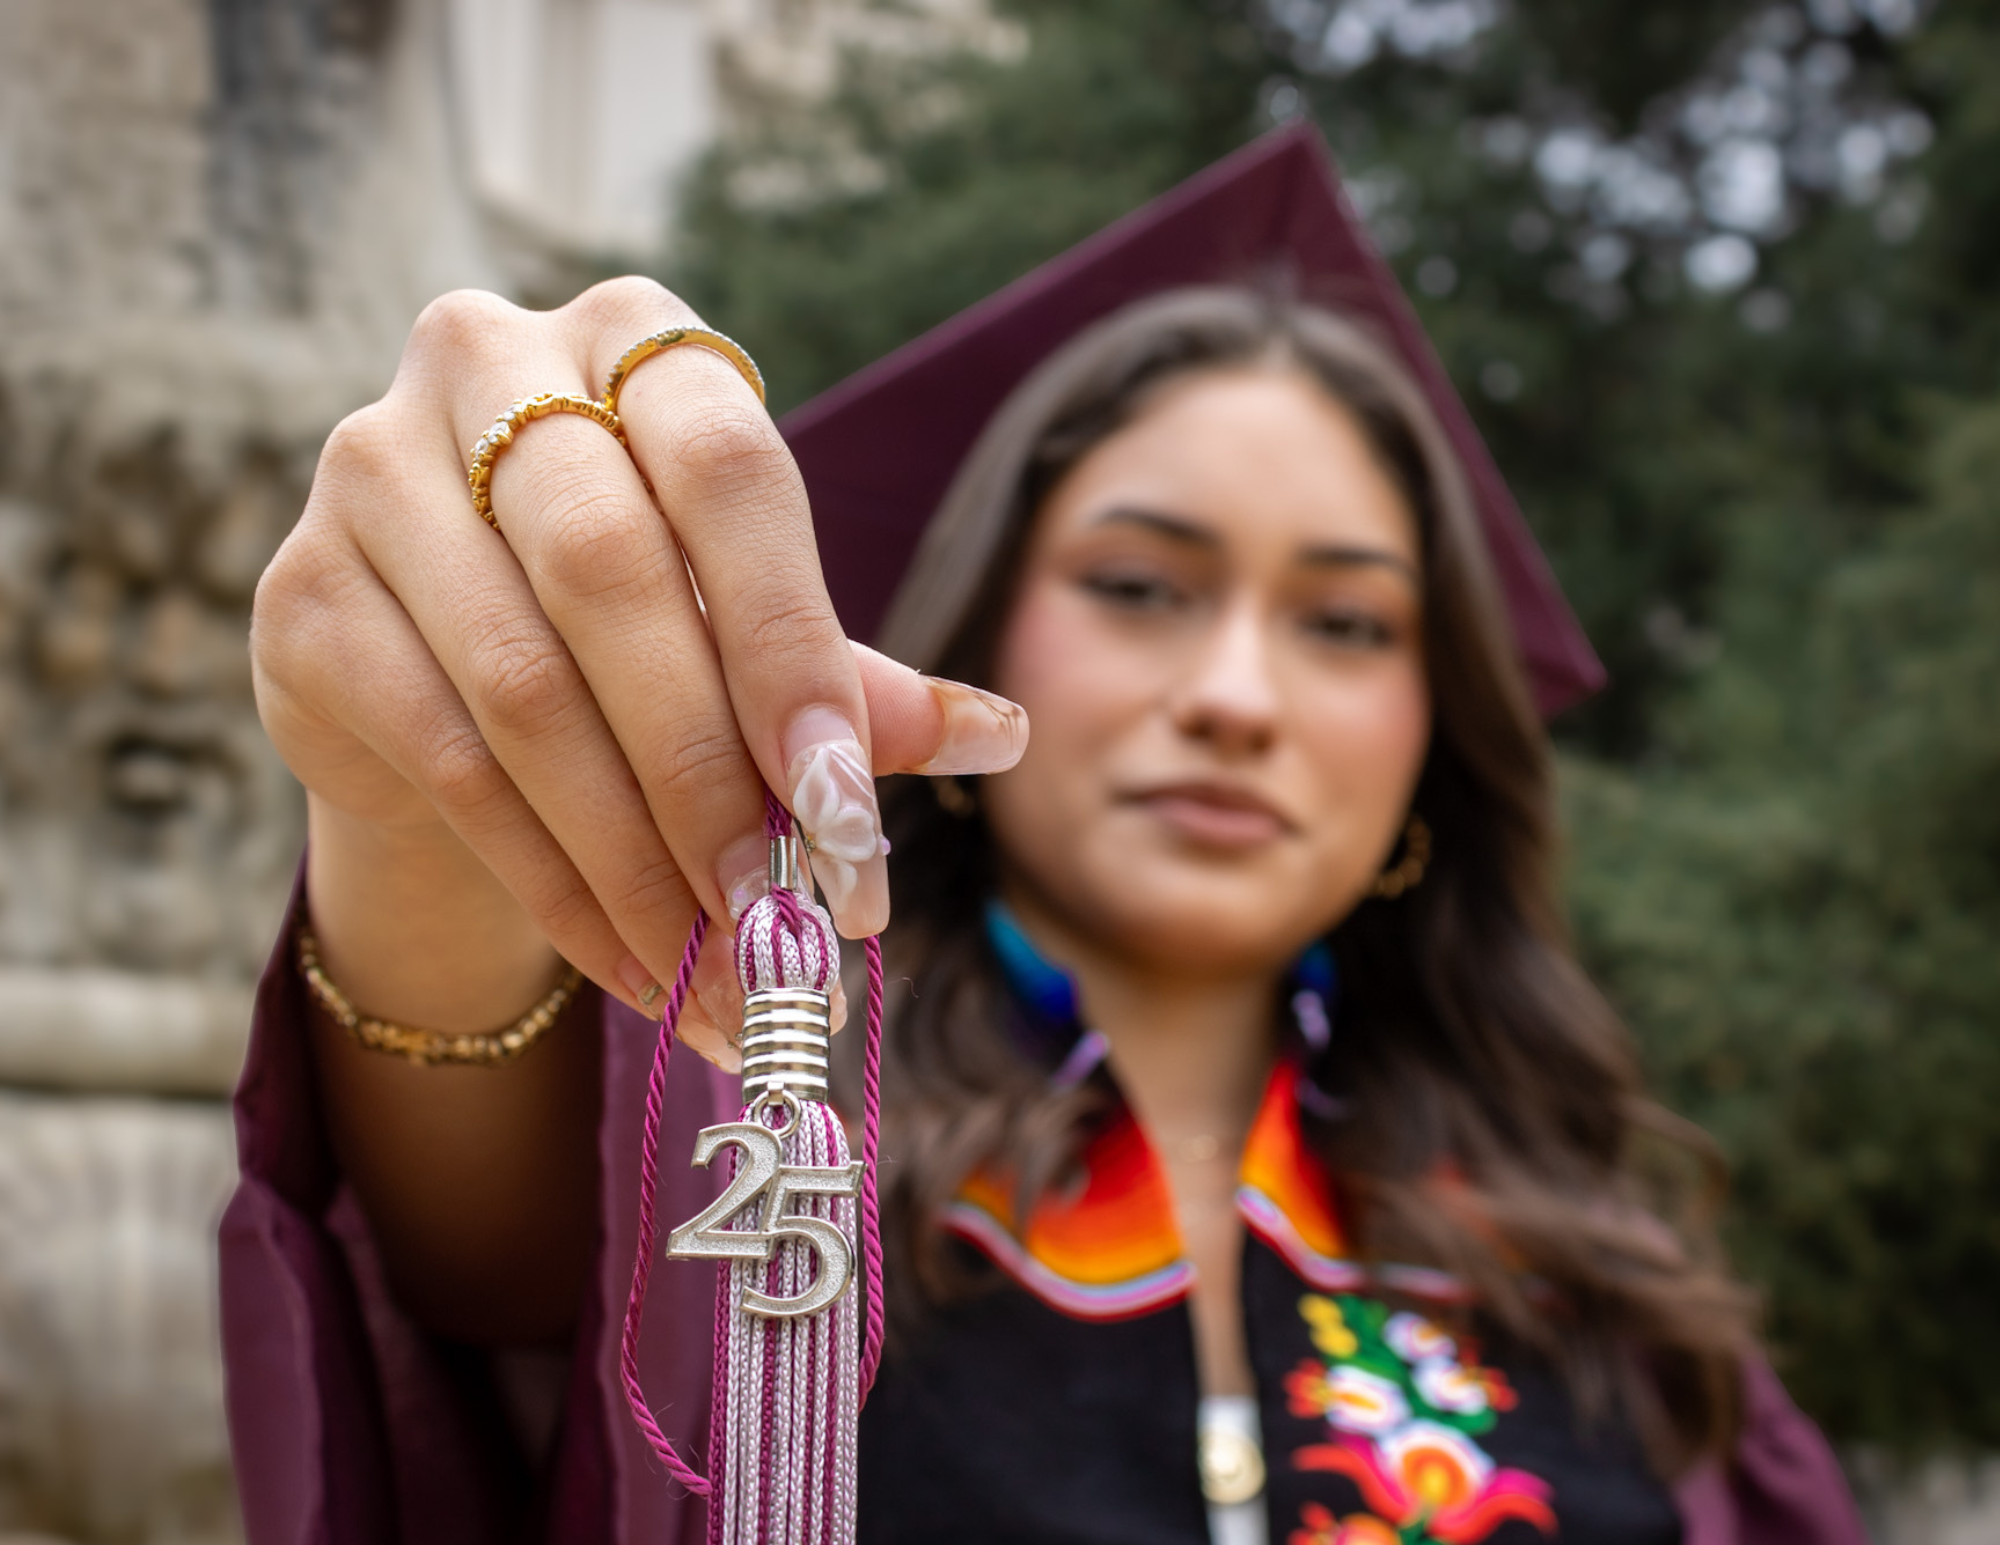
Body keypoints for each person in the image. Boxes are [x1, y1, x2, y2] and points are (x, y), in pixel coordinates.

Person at [220, 125, 1865, 1545]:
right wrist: (409, 809)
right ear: (980, 640)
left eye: (1348, 625)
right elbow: (455, 1285)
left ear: (1434, 751)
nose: (1236, 695)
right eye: (1141, 587)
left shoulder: (1608, 1297)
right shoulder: (753, 1156)